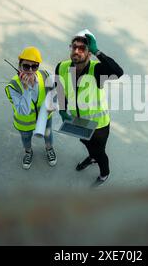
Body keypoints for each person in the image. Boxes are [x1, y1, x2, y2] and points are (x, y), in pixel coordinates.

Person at [55, 30, 124, 187]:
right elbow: (59, 87)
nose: (77, 51)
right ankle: (91, 157)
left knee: (100, 151)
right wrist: (62, 108)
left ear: (89, 52)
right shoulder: (61, 67)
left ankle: (104, 173)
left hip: (99, 125)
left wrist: (97, 51)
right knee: (85, 142)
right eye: (74, 47)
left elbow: (118, 72)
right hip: (77, 120)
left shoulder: (97, 70)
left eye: (82, 48)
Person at [5, 46, 57, 170]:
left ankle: (49, 149)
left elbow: (55, 92)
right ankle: (28, 152)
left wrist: (54, 103)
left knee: (48, 135)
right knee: (26, 139)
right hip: (25, 123)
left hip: (45, 118)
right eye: (26, 66)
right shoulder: (13, 86)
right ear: (19, 66)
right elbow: (24, 111)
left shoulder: (45, 75)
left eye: (34, 66)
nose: (30, 70)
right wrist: (26, 89)